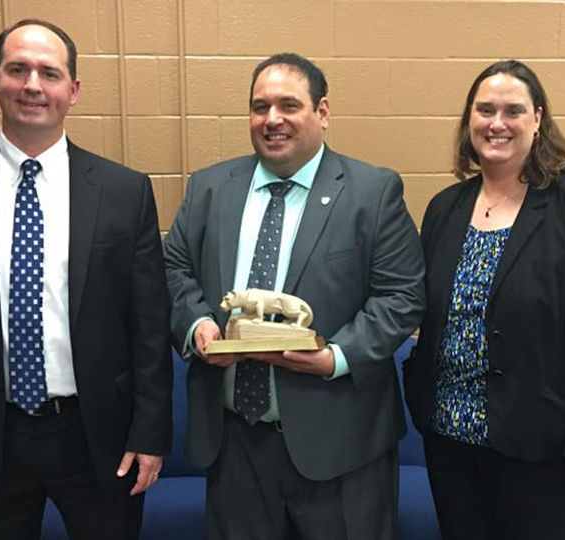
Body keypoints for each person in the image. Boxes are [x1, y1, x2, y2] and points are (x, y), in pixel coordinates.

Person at [0, 19, 172, 540]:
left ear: (74, 89)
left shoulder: (124, 190)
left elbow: (149, 327)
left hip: (97, 438)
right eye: (18, 69)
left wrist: (150, 433)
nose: (33, 85)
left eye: (49, 72)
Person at [163, 52, 425, 540]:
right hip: (235, 444)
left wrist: (336, 357)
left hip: (341, 446)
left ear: (322, 113)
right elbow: (173, 269)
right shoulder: (209, 188)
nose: (272, 119)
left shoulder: (372, 191)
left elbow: (402, 296)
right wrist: (197, 323)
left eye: (288, 105)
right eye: (259, 107)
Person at [403, 60, 565, 540]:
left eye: (513, 110)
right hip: (451, 444)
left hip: (548, 451)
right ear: (469, 120)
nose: (497, 123)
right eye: (485, 109)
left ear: (538, 119)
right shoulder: (445, 208)